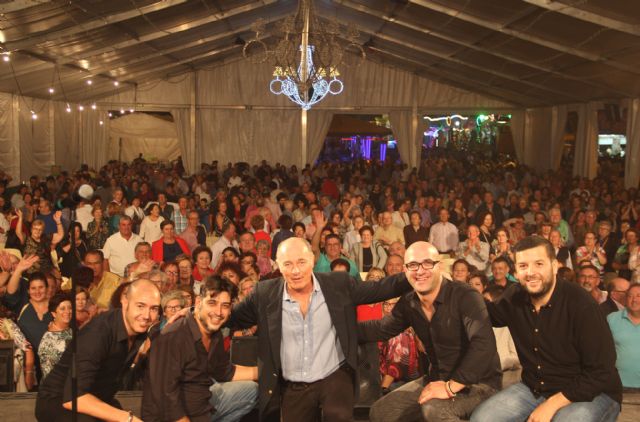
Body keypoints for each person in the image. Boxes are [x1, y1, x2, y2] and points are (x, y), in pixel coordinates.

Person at [226, 237, 411, 421]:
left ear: (312, 260)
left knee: (338, 415)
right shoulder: (265, 293)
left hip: (334, 375)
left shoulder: (337, 284)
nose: (296, 270)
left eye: (301, 262)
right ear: (279, 266)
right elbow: (229, 317)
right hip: (293, 384)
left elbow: (380, 288)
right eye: (288, 264)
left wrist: (415, 275)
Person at [471, 236, 621, 422]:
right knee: (483, 419)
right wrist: (452, 290)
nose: (530, 272)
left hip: (594, 391)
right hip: (536, 388)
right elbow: (486, 315)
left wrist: (552, 404)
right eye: (523, 266)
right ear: (516, 271)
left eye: (539, 264)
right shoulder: (515, 296)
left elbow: (601, 372)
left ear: (554, 266)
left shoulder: (581, 303)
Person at [361, 241, 501, 422]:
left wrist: (450, 387)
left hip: (479, 383)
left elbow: (484, 345)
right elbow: (381, 328)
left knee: (434, 409)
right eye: (413, 265)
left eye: (427, 263)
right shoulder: (409, 302)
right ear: (405, 270)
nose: (420, 271)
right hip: (437, 379)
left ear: (439, 266)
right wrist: (338, 327)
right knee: (381, 411)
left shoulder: (465, 295)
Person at [36, 279, 161, 422]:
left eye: (154, 308)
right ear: (125, 302)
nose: (146, 315)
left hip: (96, 398)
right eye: (140, 306)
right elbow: (72, 397)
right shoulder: (98, 332)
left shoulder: (140, 329)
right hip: (60, 402)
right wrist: (128, 418)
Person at [142, 276, 258, 421]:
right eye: (212, 303)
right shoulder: (173, 336)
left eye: (225, 306)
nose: (218, 312)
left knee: (252, 390)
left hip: (202, 406)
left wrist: (266, 372)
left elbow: (225, 372)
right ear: (198, 302)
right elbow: (166, 399)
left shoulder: (215, 333)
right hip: (170, 416)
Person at [607, 283, 640, 390]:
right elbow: (601, 350)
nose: (634, 300)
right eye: (630, 296)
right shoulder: (612, 319)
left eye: (639, 296)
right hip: (619, 385)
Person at [38, 292, 73, 380]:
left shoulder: (71, 330)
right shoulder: (48, 341)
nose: (67, 311)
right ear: (54, 314)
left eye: (70, 308)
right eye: (62, 309)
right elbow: (49, 375)